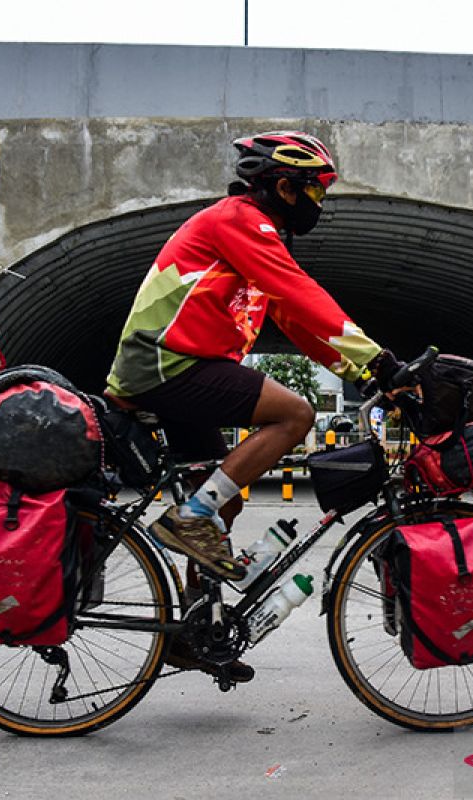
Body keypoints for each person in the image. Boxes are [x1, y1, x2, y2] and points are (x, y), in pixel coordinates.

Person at [105, 131, 397, 586]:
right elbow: (299, 294)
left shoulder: (247, 231)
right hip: (165, 364)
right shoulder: (238, 220)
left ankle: (195, 625)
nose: (319, 202)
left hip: (175, 367)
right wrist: (379, 360)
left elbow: (296, 322)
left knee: (227, 499)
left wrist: (360, 372)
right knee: (295, 415)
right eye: (316, 190)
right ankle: (192, 516)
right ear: (285, 187)